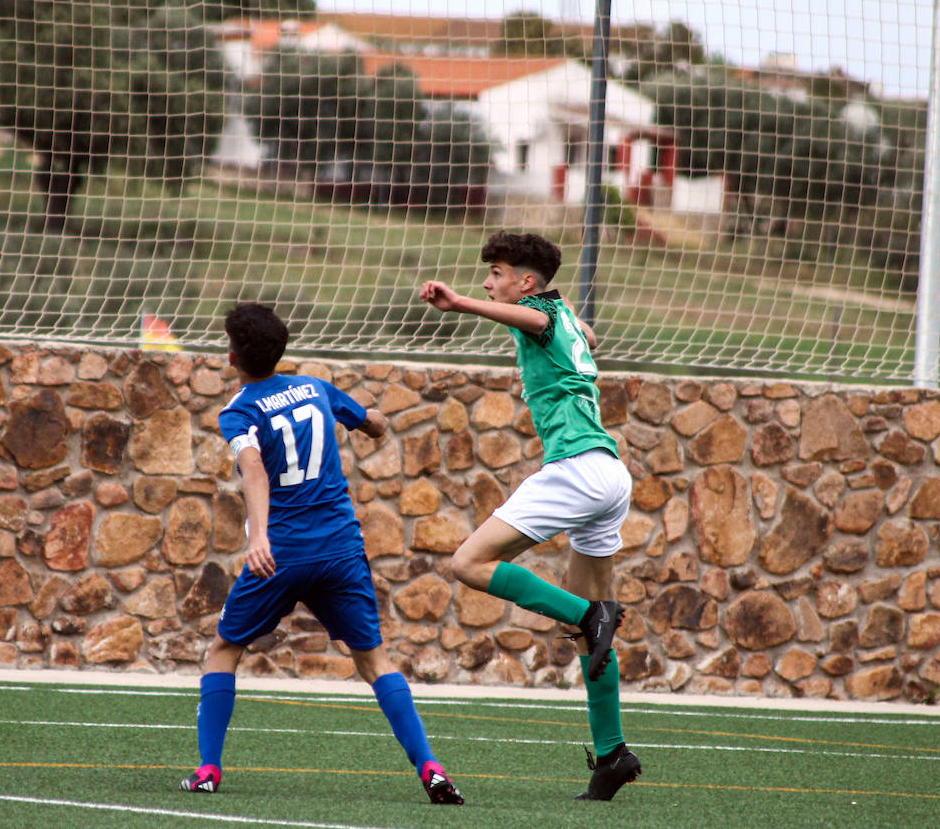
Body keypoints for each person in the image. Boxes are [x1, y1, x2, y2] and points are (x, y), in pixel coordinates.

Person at [181, 302, 464, 805]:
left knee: (224, 651)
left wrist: (258, 537)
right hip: (339, 547)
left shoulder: (240, 409)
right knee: (375, 661)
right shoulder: (315, 387)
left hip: (283, 553)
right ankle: (431, 768)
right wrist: (375, 420)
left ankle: (208, 770)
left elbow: (253, 469)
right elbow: (372, 423)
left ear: (232, 355)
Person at [418, 231, 640, 802]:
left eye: (497, 272)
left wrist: (460, 303)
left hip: (577, 470)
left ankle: (592, 616)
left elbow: (538, 323)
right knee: (591, 631)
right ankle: (612, 753)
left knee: (469, 562)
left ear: (525, 283)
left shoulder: (540, 311)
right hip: (611, 475)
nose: (488, 281)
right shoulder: (564, 311)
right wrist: (575, 331)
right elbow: (582, 332)